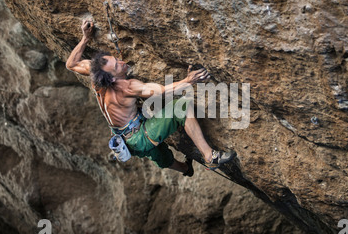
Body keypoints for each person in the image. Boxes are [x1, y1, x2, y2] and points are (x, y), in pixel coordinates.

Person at [66, 20, 236, 177]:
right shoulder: (127, 87)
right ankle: (209, 157)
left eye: (115, 58)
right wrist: (188, 80)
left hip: (125, 139)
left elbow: (71, 64)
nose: (122, 61)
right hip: (139, 137)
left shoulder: (97, 73)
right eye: (118, 65)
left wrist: (85, 38)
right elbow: (161, 91)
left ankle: (185, 168)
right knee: (181, 107)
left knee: (156, 152)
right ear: (112, 79)